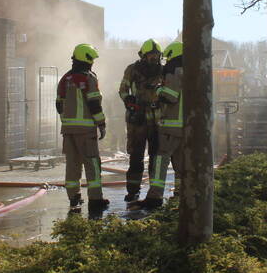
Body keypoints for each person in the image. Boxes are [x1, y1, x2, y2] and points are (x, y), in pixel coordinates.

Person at [130, 41, 183, 211]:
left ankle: (154, 197)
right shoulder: (191, 71)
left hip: (171, 124)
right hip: (184, 125)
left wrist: (159, 90)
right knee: (181, 162)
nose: (164, 61)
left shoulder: (174, 71)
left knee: (160, 159)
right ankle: (181, 194)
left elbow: (171, 96)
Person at [56, 44, 108, 215]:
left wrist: (67, 123)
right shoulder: (88, 78)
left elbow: (59, 105)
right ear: (86, 58)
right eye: (91, 59)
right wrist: (101, 123)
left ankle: (74, 199)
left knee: (72, 166)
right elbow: (94, 104)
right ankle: (95, 201)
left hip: (68, 131)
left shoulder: (65, 78)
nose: (93, 62)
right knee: (92, 164)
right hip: (86, 131)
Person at [118, 39, 164, 202]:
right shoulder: (132, 70)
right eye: (151, 56)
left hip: (156, 122)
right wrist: (129, 100)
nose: (155, 59)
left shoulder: (163, 71)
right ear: (143, 56)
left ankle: (154, 192)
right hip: (137, 121)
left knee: (155, 157)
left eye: (157, 56)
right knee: (136, 157)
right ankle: (133, 191)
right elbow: (123, 89)